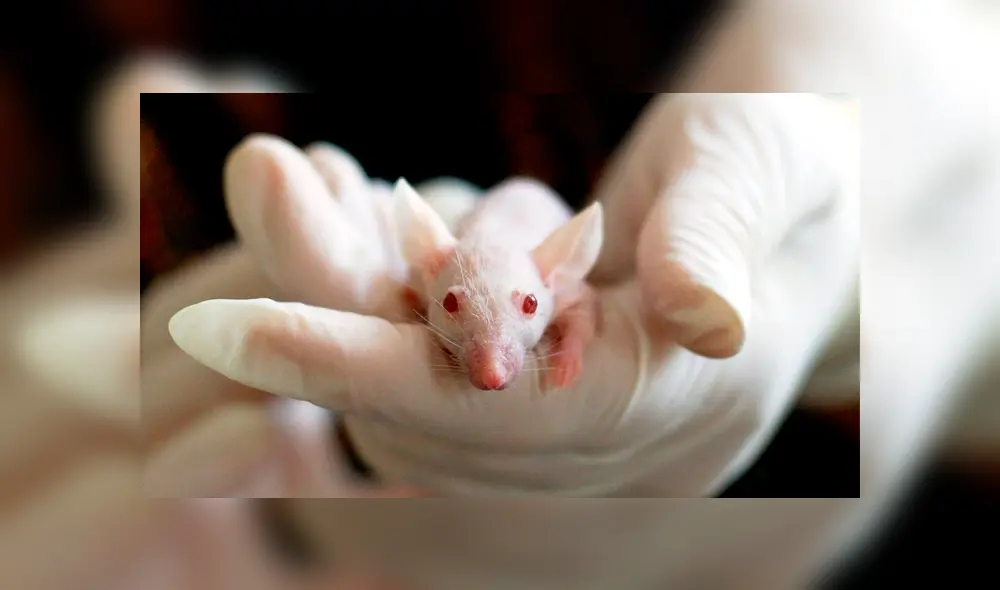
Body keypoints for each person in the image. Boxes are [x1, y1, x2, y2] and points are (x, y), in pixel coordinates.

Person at [5, 1, 1000, 589]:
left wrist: (886, 314)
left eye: (526, 321)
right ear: (421, 270)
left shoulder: (560, 275)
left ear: (556, 278)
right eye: (451, 318)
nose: (490, 367)